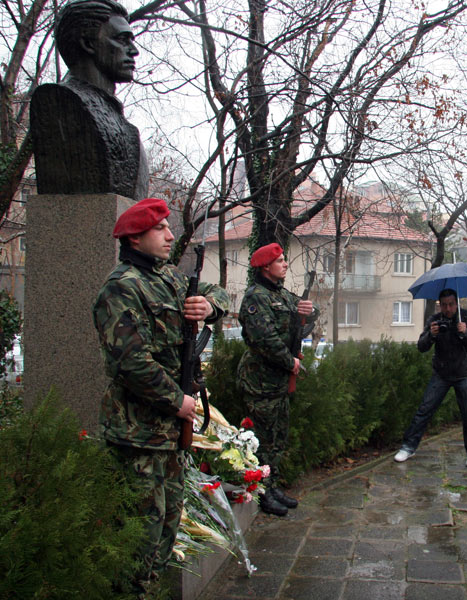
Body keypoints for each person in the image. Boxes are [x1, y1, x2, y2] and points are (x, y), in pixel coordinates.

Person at [93, 197, 230, 594]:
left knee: (167, 531)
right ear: (135, 238)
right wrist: (178, 401)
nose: (170, 235)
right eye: (160, 229)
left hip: (168, 436)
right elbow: (131, 363)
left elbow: (218, 292)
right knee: (139, 539)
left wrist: (208, 306)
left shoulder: (168, 277)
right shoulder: (121, 288)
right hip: (139, 436)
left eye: (169, 227)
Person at [31, 0, 148, 199]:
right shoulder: (60, 103)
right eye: (122, 39)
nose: (134, 51)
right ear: (88, 43)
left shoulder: (116, 117)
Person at [237, 243, 317, 516]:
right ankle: (260, 492)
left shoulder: (281, 294)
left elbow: (305, 316)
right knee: (261, 440)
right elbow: (266, 340)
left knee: (277, 439)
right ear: (265, 267)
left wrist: (309, 310)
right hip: (260, 381)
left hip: (279, 382)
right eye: (280, 261)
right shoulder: (256, 297)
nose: (285, 264)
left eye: (284, 260)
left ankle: (271, 485)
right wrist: (290, 362)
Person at [394, 288, 467, 467]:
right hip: (442, 373)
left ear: (456, 303)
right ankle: (408, 447)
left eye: (451, 304)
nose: (448, 309)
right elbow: (421, 346)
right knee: (424, 409)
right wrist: (431, 335)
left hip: (464, 372)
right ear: (439, 305)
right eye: (444, 305)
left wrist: (466, 332)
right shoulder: (434, 320)